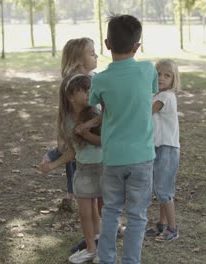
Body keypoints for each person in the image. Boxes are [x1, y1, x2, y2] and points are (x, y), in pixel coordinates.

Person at [88, 14, 158, 264]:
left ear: (107, 44)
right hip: (142, 157)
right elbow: (150, 92)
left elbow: (95, 102)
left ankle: (106, 259)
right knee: (138, 215)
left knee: (110, 211)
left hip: (113, 157)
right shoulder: (148, 69)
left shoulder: (100, 79)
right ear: (137, 46)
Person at [39, 74, 102, 264]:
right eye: (84, 90)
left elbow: (103, 142)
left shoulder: (95, 115)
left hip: (102, 168)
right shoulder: (66, 120)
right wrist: (51, 165)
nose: (88, 94)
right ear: (71, 96)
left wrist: (85, 132)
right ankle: (91, 249)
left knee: (100, 210)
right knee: (85, 212)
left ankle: (100, 247)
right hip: (82, 169)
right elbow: (71, 152)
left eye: (90, 89)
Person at [41, 37, 98, 212]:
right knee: (81, 164)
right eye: (91, 52)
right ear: (79, 60)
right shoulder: (75, 82)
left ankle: (100, 225)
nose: (96, 55)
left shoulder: (92, 77)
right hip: (83, 130)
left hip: (91, 130)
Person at [145, 59, 181, 242]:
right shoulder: (155, 94)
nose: (161, 78)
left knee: (164, 188)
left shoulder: (165, 97)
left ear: (173, 79)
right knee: (159, 187)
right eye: (158, 73)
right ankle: (161, 224)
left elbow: (145, 112)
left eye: (167, 75)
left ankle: (173, 228)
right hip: (157, 146)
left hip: (167, 148)